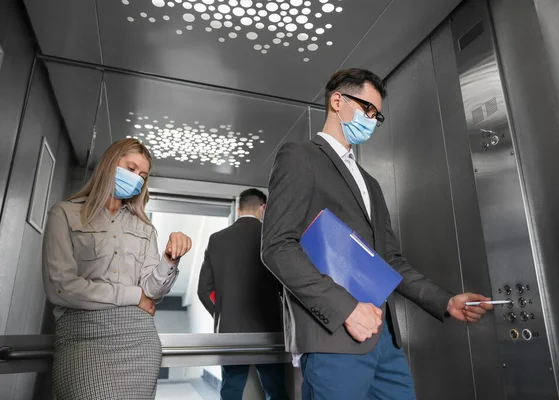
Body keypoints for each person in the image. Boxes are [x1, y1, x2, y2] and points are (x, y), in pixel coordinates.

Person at [261, 68, 494, 400]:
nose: (371, 119)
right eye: (366, 108)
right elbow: (277, 247)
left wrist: (445, 301)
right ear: (337, 101)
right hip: (335, 337)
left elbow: (391, 262)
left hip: (384, 339)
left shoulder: (369, 182)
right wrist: (346, 309)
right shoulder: (300, 157)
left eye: (376, 115)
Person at [42, 138, 192, 399]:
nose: (136, 179)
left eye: (142, 176)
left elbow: (152, 292)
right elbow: (61, 287)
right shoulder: (64, 214)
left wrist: (169, 259)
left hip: (138, 341)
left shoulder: (145, 229)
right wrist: (134, 297)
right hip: (81, 337)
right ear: (110, 163)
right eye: (131, 169)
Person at [198, 188, 288, 400]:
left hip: (229, 330)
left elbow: (204, 290)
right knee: (275, 390)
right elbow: (284, 284)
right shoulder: (272, 238)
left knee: (231, 389)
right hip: (269, 329)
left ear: (238, 209)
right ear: (262, 208)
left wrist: (221, 313)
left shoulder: (216, 239)